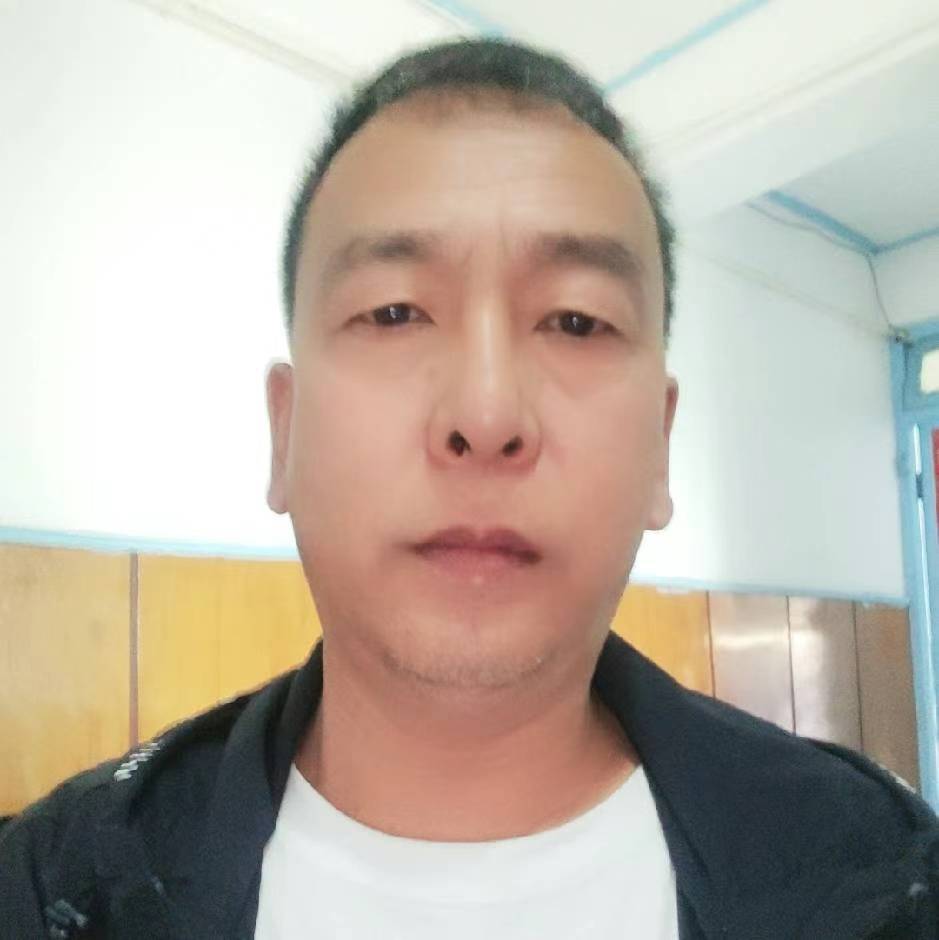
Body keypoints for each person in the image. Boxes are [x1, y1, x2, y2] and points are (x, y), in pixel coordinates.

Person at [1, 36, 937, 940]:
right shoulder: (54, 888)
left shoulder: (879, 874)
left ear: (659, 447)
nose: (486, 414)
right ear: (284, 435)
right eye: (393, 312)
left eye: (575, 321)